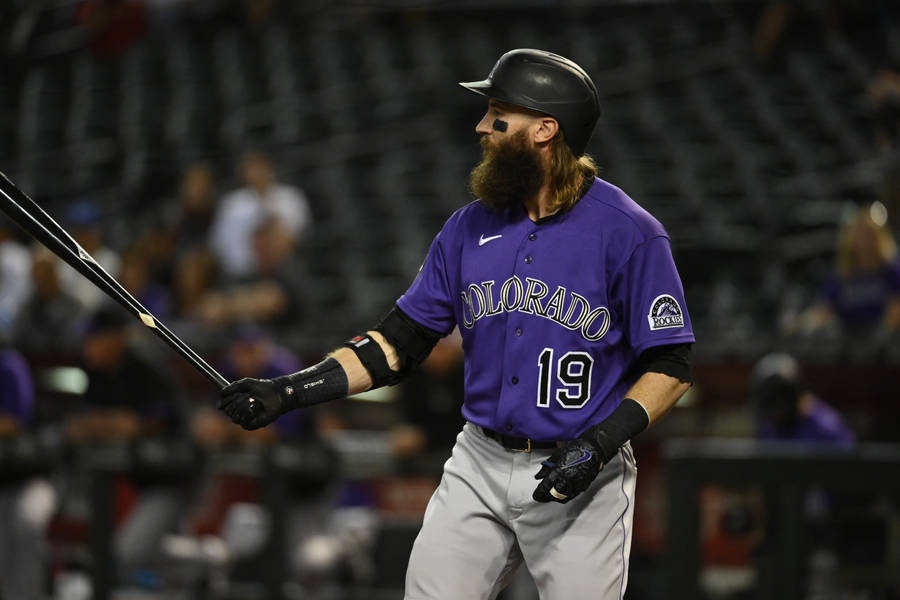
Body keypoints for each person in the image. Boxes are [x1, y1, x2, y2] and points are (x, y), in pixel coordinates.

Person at [218, 48, 695, 599]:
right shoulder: (467, 227)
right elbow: (397, 344)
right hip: (480, 460)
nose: (482, 126)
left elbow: (672, 362)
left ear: (545, 129)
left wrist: (601, 444)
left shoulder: (629, 232)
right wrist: (289, 390)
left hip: (583, 470)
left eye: (498, 115)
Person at [210, 151, 312, 280]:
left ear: (269, 168)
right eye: (250, 168)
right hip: (239, 271)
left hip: (283, 269)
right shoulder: (232, 203)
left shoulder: (290, 196)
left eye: (259, 167)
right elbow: (218, 243)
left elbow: (296, 237)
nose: (255, 173)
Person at [749, 352, 854, 444]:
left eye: (783, 396)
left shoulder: (827, 428)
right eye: (770, 402)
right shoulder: (769, 428)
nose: (777, 410)